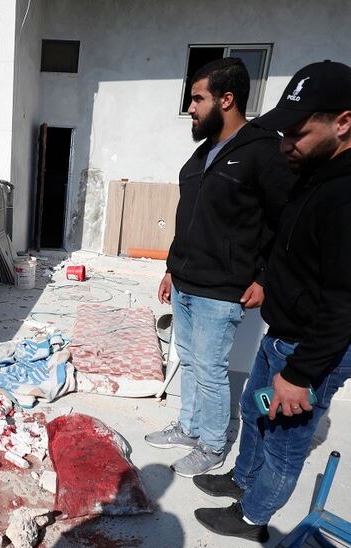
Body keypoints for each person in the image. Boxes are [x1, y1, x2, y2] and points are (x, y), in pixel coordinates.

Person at [192, 60, 351, 542]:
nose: (286, 145)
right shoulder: (318, 169)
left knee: (285, 441)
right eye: (284, 132)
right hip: (284, 338)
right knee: (253, 412)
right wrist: (272, 283)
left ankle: (253, 518)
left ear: (343, 122)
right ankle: (242, 480)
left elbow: (348, 300)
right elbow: (297, 246)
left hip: (315, 351)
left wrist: (302, 374)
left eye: (298, 134)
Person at [147, 58, 294, 478]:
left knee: (211, 370)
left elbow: (284, 222)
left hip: (222, 288)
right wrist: (172, 268)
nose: (190, 107)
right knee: (190, 361)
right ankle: (190, 428)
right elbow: (189, 216)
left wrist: (264, 278)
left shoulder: (264, 152)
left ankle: (212, 445)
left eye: (198, 98)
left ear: (226, 99)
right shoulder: (204, 153)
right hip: (187, 281)